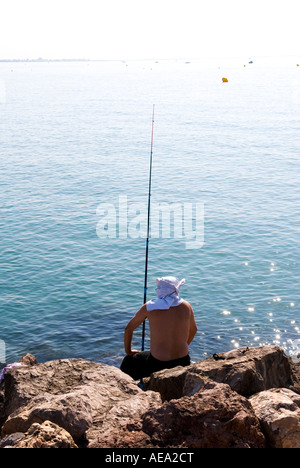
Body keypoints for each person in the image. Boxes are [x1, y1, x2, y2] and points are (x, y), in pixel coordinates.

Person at [120, 276, 197, 380]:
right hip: (183, 360)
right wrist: (184, 344)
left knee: (129, 361)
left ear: (160, 290)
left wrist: (129, 351)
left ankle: (128, 388)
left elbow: (128, 329)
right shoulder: (187, 306)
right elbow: (194, 329)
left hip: (158, 363)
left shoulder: (150, 306)